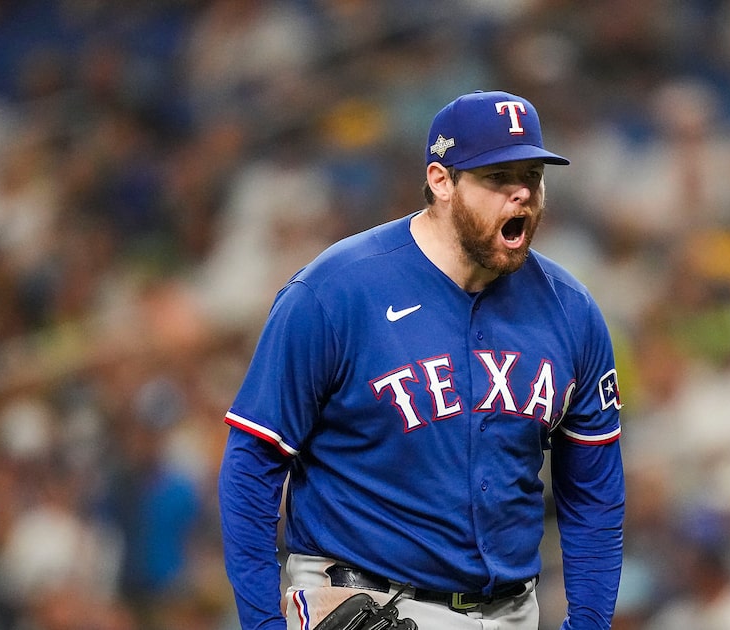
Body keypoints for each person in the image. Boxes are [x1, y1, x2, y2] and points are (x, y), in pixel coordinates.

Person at [218, 90, 626, 630]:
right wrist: (263, 623)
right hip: (362, 603)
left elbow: (594, 494)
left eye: (532, 175)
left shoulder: (570, 311)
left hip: (513, 612)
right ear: (441, 181)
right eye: (498, 177)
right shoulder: (335, 293)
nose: (522, 194)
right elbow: (252, 465)